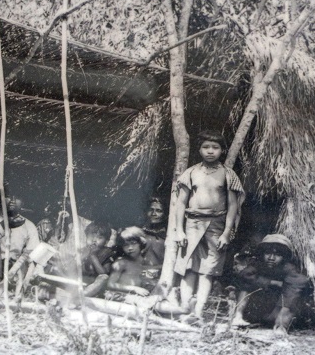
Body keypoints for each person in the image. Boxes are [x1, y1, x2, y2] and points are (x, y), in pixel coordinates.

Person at [170, 130, 245, 318]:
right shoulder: (191, 173)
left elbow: (233, 205)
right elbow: (181, 202)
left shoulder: (228, 174)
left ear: (222, 150)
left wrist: (226, 233)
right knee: (188, 268)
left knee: (207, 270)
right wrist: (180, 231)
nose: (210, 151)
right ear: (199, 149)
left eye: (215, 147)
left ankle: (198, 311)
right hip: (192, 224)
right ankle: (185, 308)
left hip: (216, 226)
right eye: (206, 147)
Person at [229, 233, 311, 333]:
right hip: (261, 308)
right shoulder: (258, 264)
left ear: (284, 257)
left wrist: (281, 321)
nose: (271, 258)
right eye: (268, 253)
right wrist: (271, 282)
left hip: (279, 310)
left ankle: (281, 326)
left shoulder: (289, 269)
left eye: (277, 255)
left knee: (292, 300)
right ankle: (238, 316)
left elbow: (292, 294)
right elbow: (245, 275)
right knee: (246, 285)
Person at [105, 227, 158, 301]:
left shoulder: (143, 261)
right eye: (126, 245)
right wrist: (135, 289)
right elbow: (110, 284)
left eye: (133, 243)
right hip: (119, 295)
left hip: (135, 296)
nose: (130, 248)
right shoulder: (121, 262)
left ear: (141, 243)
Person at [141, 196, 167, 267]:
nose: (154, 213)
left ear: (165, 214)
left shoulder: (168, 234)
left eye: (158, 211)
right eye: (151, 210)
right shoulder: (139, 232)